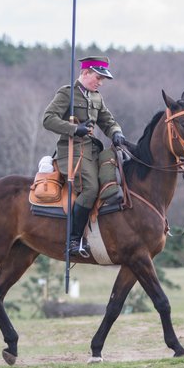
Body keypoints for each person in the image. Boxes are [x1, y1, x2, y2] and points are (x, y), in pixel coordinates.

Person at [42, 56, 127, 254]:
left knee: (116, 175)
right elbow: (47, 119)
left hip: (91, 149)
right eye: (98, 77)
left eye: (102, 79)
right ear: (85, 73)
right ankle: (73, 241)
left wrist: (116, 133)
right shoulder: (67, 94)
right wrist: (74, 129)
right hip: (71, 150)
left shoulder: (96, 97)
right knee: (90, 188)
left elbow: (107, 120)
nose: (100, 82)